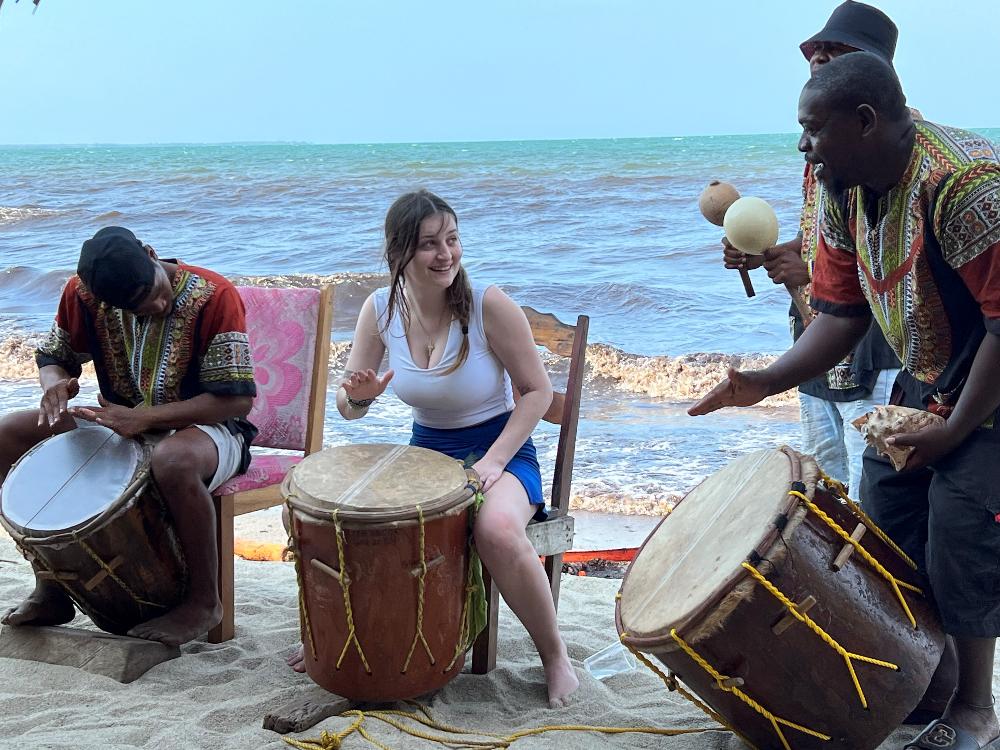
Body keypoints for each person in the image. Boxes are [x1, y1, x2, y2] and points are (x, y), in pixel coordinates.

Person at [692, 53, 1000, 749]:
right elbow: (841, 312)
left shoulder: (967, 184)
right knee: (885, 515)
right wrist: (765, 381)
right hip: (931, 374)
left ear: (865, 122)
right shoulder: (842, 185)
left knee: (962, 524)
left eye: (813, 130)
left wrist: (953, 436)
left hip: (993, 370)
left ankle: (977, 708)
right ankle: (935, 681)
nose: (804, 146)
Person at [286, 189, 579, 708]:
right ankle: (335, 638)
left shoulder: (489, 305)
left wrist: (492, 462)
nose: (446, 255)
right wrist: (357, 396)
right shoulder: (381, 309)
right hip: (425, 454)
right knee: (334, 515)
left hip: (502, 449)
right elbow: (347, 406)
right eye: (429, 244)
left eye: (453, 239)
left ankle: (556, 658)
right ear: (399, 252)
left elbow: (538, 395)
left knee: (496, 529)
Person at [0, 226, 257, 646]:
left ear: (152, 253)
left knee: (172, 460)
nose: (156, 304)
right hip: (116, 423)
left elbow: (236, 401)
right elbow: (55, 356)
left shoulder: (214, 296)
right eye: (138, 309)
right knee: (9, 433)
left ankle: (204, 601)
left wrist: (147, 419)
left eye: (154, 292)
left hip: (208, 430)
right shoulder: (81, 295)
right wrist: (56, 383)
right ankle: (51, 587)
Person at [723, 0, 901, 499]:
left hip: (876, 346)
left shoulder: (891, 143)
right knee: (829, 490)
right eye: (814, 51)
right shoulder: (823, 143)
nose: (818, 58)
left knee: (877, 494)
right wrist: (766, 254)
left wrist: (807, 271)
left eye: (835, 50)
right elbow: (829, 234)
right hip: (816, 335)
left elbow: (898, 263)